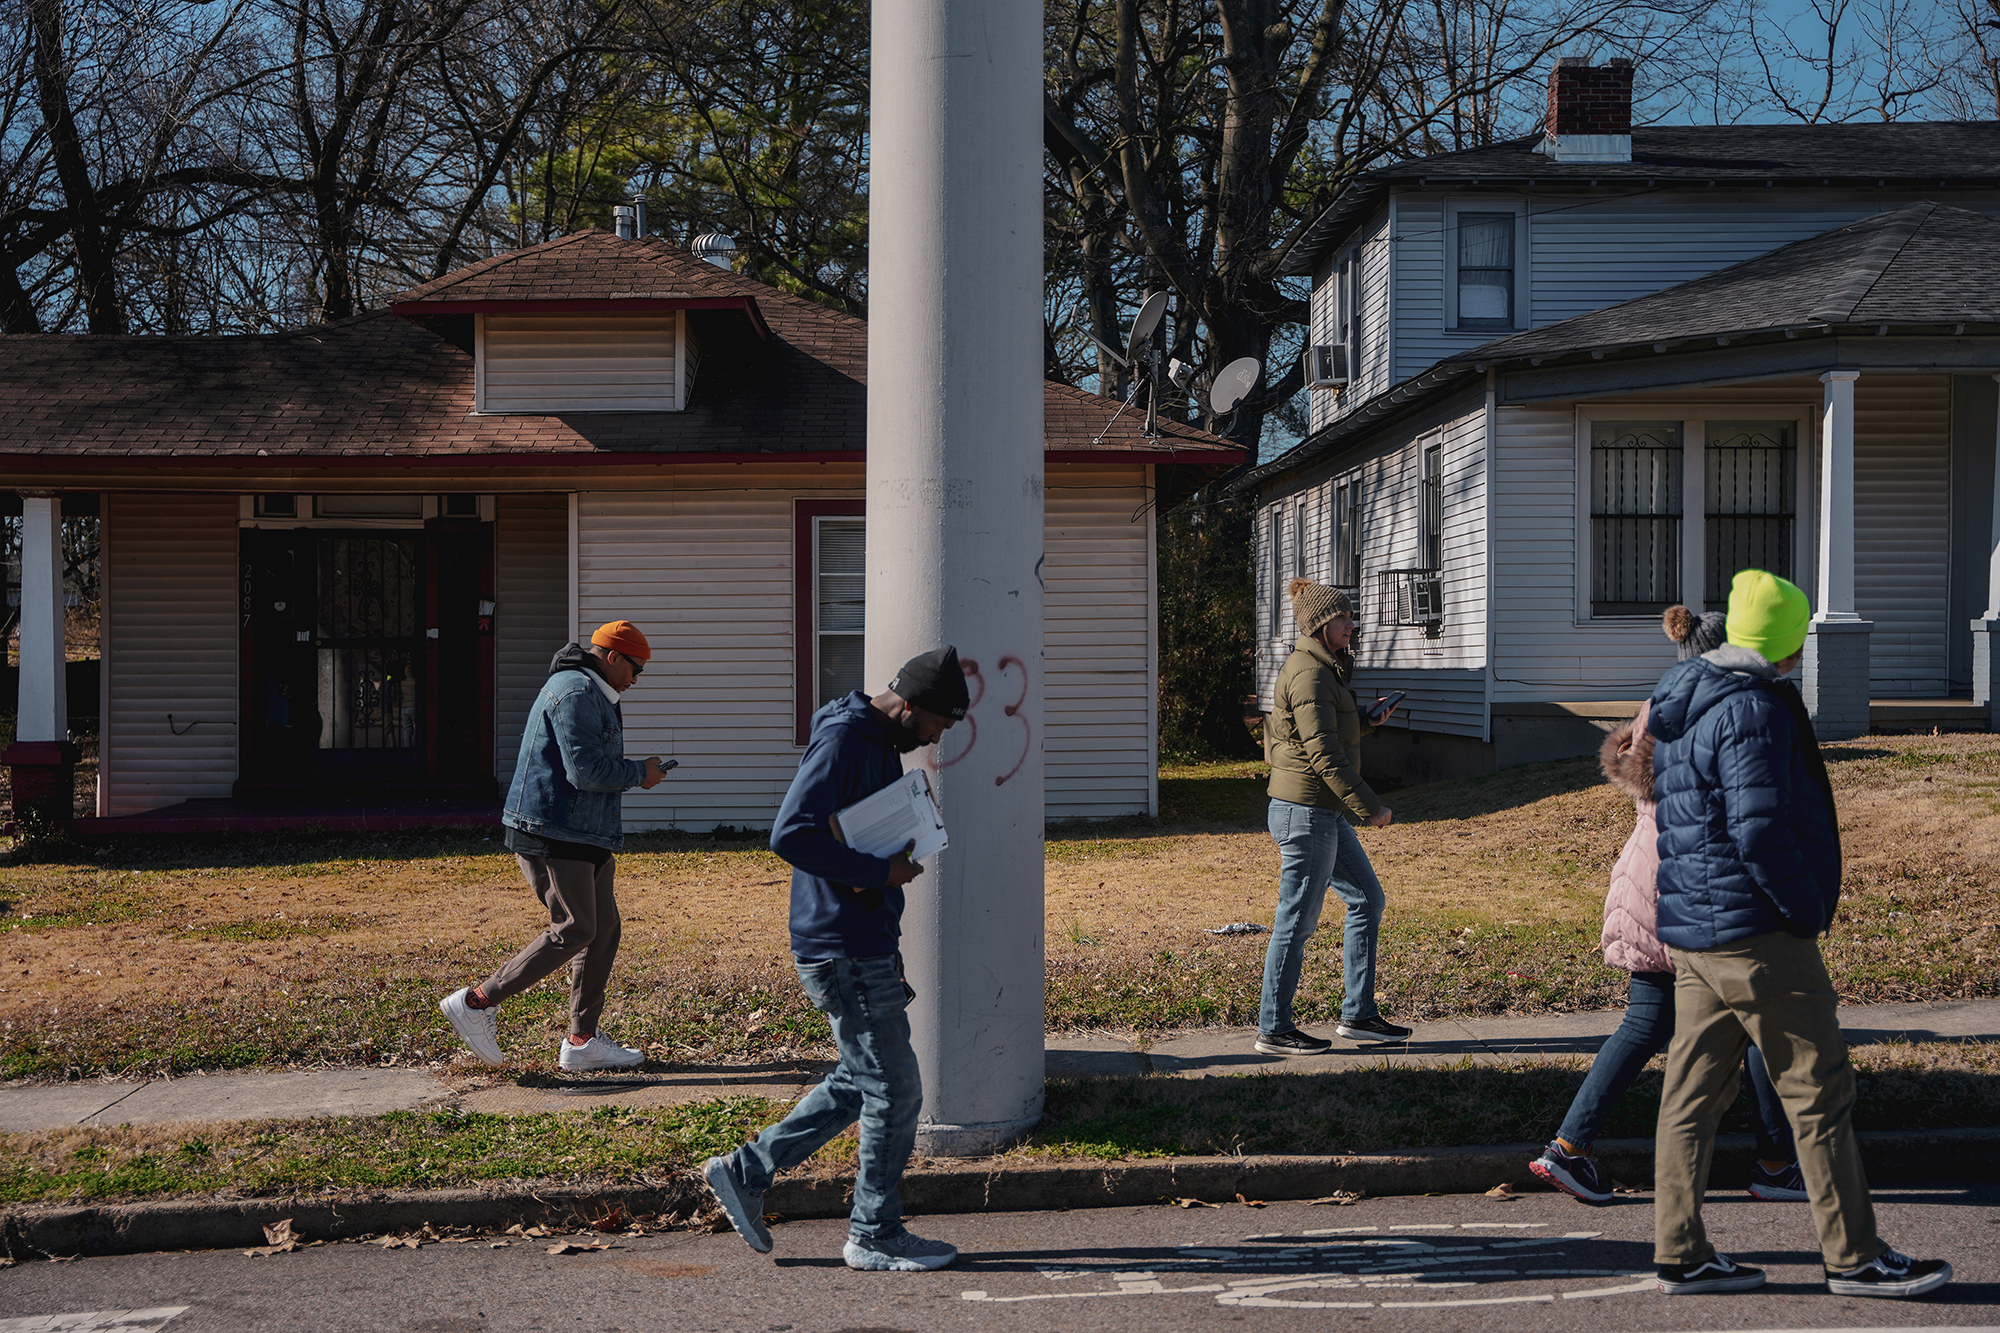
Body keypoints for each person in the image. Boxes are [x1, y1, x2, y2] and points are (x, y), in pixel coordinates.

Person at [1647, 570, 1951, 1298]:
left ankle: (1680, 1251)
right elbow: (1759, 828)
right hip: (1758, 932)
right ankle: (1855, 1256)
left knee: (1690, 1093)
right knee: (1818, 1090)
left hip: (1697, 929)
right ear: (1785, 645)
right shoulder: (1754, 708)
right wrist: (1806, 907)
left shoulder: (1687, 697)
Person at [703, 646, 969, 1273]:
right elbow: (789, 833)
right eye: (938, 723)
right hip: (841, 944)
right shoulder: (848, 740)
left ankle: (746, 1171)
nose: (937, 737)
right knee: (897, 1091)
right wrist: (881, 870)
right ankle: (873, 1233)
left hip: (862, 940)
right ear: (908, 705)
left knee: (861, 1079)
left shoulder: (874, 739)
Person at [1530, 605, 1805, 1204]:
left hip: (1646, 882)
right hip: (1699, 893)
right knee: (1762, 1025)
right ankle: (1777, 1163)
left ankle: (1568, 1149)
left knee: (1646, 1024)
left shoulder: (1658, 709)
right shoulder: (1728, 714)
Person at [439, 621, 670, 1071]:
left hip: (584, 830)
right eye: (636, 668)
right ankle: (477, 1002)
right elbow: (584, 770)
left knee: (603, 930)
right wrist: (639, 772)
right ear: (613, 657)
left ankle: (582, 1042)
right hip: (552, 829)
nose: (637, 679)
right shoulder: (576, 692)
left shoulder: (595, 690)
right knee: (576, 927)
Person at [1256, 577, 1411, 1055]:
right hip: (1306, 813)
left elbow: (1324, 728)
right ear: (1321, 623)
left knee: (1367, 898)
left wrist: (1365, 718)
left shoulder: (1325, 669)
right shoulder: (1310, 673)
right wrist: (1373, 807)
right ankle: (1274, 1028)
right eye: (1343, 617)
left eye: (1350, 616)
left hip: (1322, 811)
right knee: (1296, 922)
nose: (1351, 624)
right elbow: (1323, 754)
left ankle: (1359, 1016)